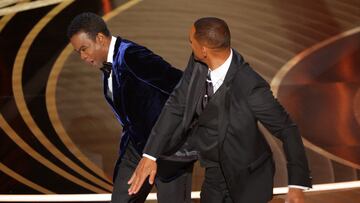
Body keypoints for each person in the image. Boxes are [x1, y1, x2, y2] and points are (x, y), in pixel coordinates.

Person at [128, 17, 312, 203]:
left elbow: (287, 128)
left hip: (247, 177)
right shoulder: (198, 63)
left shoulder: (250, 86)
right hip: (214, 172)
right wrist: (149, 155)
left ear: (204, 50)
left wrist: (296, 185)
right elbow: (176, 104)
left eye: (191, 41)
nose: (190, 44)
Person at [67, 12, 193, 203]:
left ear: (100, 38)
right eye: (79, 52)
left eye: (84, 49)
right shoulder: (108, 66)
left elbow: (181, 85)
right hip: (135, 148)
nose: (83, 57)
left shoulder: (132, 56)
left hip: (168, 149)